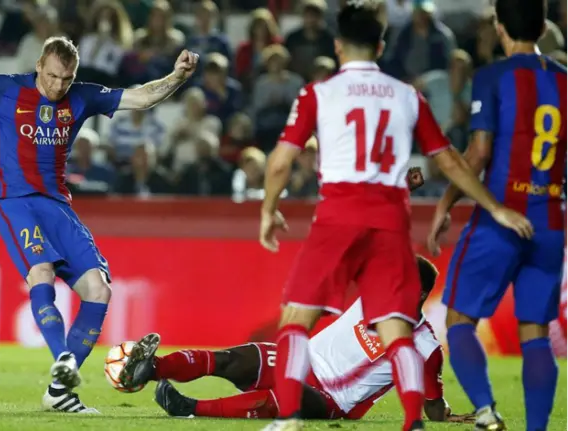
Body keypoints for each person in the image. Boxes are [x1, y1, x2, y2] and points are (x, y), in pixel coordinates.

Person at [0, 36, 198, 413]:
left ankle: (60, 391)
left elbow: (141, 97)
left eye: (67, 79)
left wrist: (177, 77)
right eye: (54, 76)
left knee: (99, 289)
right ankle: (62, 356)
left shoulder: (82, 96)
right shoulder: (4, 89)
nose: (59, 86)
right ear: (40, 65)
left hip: (58, 207)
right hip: (17, 204)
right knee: (40, 271)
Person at [256, 2, 534, 431]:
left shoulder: (318, 94)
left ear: (337, 45)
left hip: (338, 216)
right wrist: (494, 206)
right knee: (396, 332)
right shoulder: (407, 96)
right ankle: (411, 421)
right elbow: (453, 162)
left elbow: (279, 162)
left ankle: (289, 417)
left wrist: (269, 209)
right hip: (389, 221)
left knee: (295, 319)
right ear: (381, 45)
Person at [426, 1, 564, 430]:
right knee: (535, 334)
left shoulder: (492, 77)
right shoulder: (566, 83)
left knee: (460, 321)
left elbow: (478, 154)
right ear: (543, 27)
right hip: (550, 223)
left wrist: (447, 204)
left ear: (500, 28)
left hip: (499, 219)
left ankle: (486, 411)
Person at [130, 257, 472, 424]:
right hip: (303, 359)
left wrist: (446, 414)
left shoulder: (425, 348)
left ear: (420, 292)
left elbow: (431, 403)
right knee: (238, 358)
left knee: (284, 396)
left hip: (332, 399)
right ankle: (152, 368)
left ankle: (189, 409)